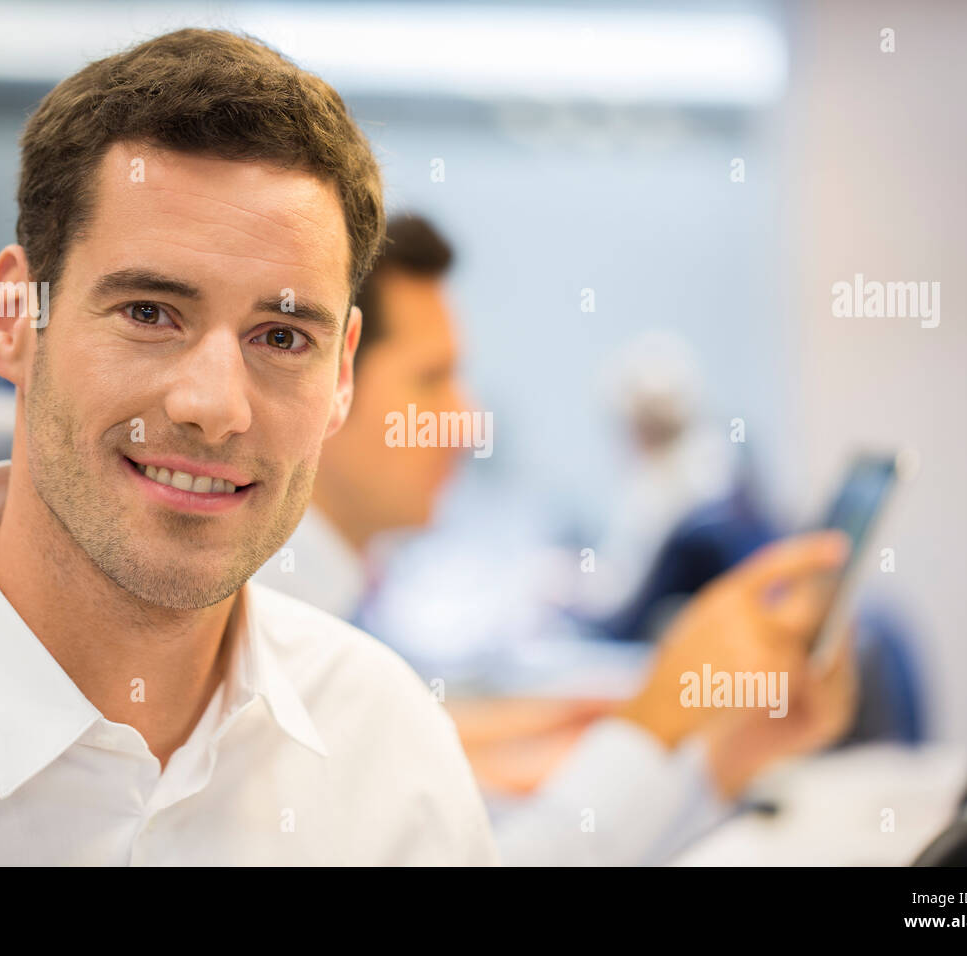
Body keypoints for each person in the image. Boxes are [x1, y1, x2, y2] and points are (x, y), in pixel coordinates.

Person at [0, 29, 497, 865]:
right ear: (14, 315)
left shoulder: (389, 753)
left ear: (340, 372)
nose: (214, 407)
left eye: (280, 337)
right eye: (150, 313)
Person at [255, 214, 860, 865]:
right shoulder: (259, 644)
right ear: (329, 383)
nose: (468, 422)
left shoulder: (323, 624)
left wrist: (731, 755)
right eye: (432, 380)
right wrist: (661, 714)